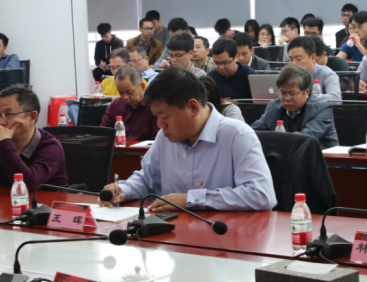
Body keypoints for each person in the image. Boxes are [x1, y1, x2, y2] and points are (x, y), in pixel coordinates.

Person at [101, 68, 276, 212]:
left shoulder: (237, 135)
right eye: (156, 116)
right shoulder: (164, 137)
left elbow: (261, 195)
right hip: (174, 233)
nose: (160, 124)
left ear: (193, 107)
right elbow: (147, 179)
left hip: (224, 234)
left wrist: (192, 199)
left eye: (164, 117)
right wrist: (123, 190)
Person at [251, 64, 339, 148]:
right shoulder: (273, 106)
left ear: (307, 92)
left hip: (320, 157)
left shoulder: (322, 109)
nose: (287, 98)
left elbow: (304, 139)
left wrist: (271, 139)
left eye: (292, 94)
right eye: (282, 93)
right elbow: (253, 133)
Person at [100, 65, 159, 141]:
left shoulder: (155, 106)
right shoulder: (115, 105)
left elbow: (158, 141)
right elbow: (103, 134)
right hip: (118, 147)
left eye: (129, 92)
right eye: (121, 93)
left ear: (142, 86)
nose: (125, 97)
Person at [287, 36, 341, 101]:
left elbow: (335, 99)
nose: (293, 63)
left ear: (313, 58)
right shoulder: (287, 74)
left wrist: (306, 98)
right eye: (291, 59)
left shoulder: (327, 74)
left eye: (299, 59)